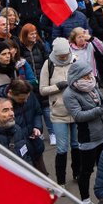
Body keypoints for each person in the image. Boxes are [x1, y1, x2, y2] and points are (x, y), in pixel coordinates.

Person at [63, 60, 103, 204]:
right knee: (86, 171)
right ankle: (85, 201)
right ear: (78, 77)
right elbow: (78, 116)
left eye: (90, 73)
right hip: (89, 138)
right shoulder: (69, 94)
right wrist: (101, 110)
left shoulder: (92, 85)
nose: (90, 77)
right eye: (86, 75)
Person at [39, 38, 79, 185]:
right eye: (61, 56)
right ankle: (61, 182)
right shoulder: (48, 64)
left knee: (76, 145)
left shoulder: (75, 60)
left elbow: (87, 80)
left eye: (66, 54)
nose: (64, 58)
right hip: (58, 112)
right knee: (62, 148)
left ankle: (77, 174)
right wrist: (58, 86)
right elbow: (42, 90)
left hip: (76, 110)